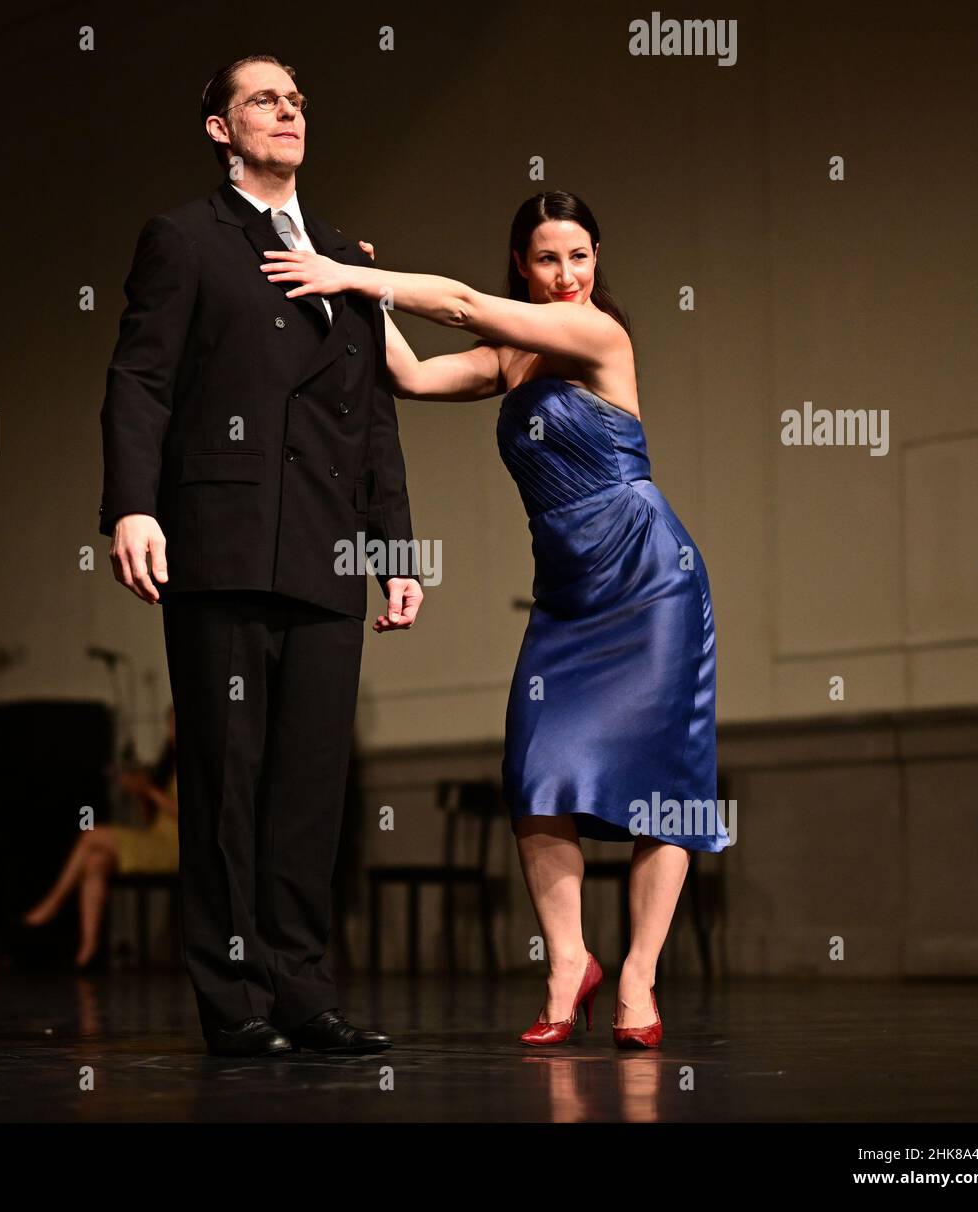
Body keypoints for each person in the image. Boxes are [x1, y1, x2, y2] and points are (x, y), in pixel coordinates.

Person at [260, 189, 731, 1049]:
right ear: (524, 261)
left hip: (652, 583)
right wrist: (362, 296)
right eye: (548, 259)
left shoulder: (599, 336)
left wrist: (356, 272)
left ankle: (637, 977)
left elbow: (466, 303)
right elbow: (408, 374)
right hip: (566, 599)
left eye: (581, 256)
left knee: (668, 788)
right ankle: (568, 964)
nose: (566, 275)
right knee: (536, 773)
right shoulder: (509, 358)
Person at [97, 54, 422, 1057]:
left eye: (295, 102)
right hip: (222, 543)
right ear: (218, 129)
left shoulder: (341, 253)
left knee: (309, 787)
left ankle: (301, 990)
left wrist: (395, 548)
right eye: (262, 100)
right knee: (227, 780)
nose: (286, 113)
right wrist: (131, 508)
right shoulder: (186, 239)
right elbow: (140, 380)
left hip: (325, 555)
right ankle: (233, 999)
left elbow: (369, 418)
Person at [21, 707, 180, 968]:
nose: (171, 734)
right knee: (95, 861)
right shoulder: (169, 767)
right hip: (156, 836)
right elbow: (152, 818)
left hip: (177, 846)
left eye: (176, 727)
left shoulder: (201, 766)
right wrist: (141, 793)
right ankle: (88, 950)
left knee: (92, 835)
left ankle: (53, 904)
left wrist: (149, 790)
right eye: (170, 727)